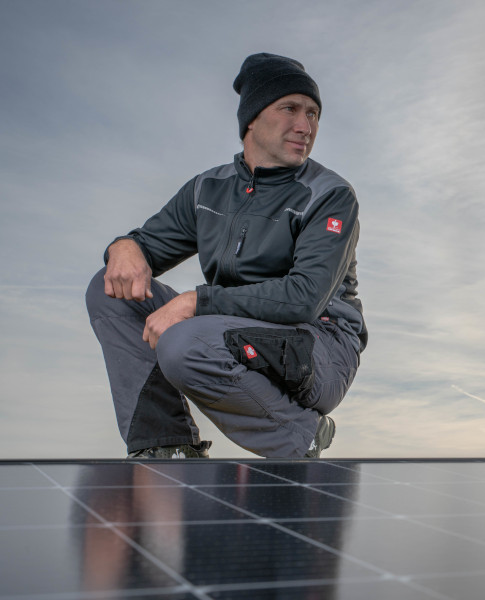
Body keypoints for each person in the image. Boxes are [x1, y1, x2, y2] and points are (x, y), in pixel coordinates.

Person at [85, 53, 366, 459]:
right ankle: (168, 444)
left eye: (313, 113)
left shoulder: (330, 195)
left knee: (184, 343)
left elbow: (304, 297)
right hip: (231, 331)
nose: (305, 126)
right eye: (289, 108)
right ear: (252, 118)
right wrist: (122, 246)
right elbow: (142, 250)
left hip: (321, 345)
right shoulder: (208, 190)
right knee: (108, 290)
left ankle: (299, 436)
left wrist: (195, 302)